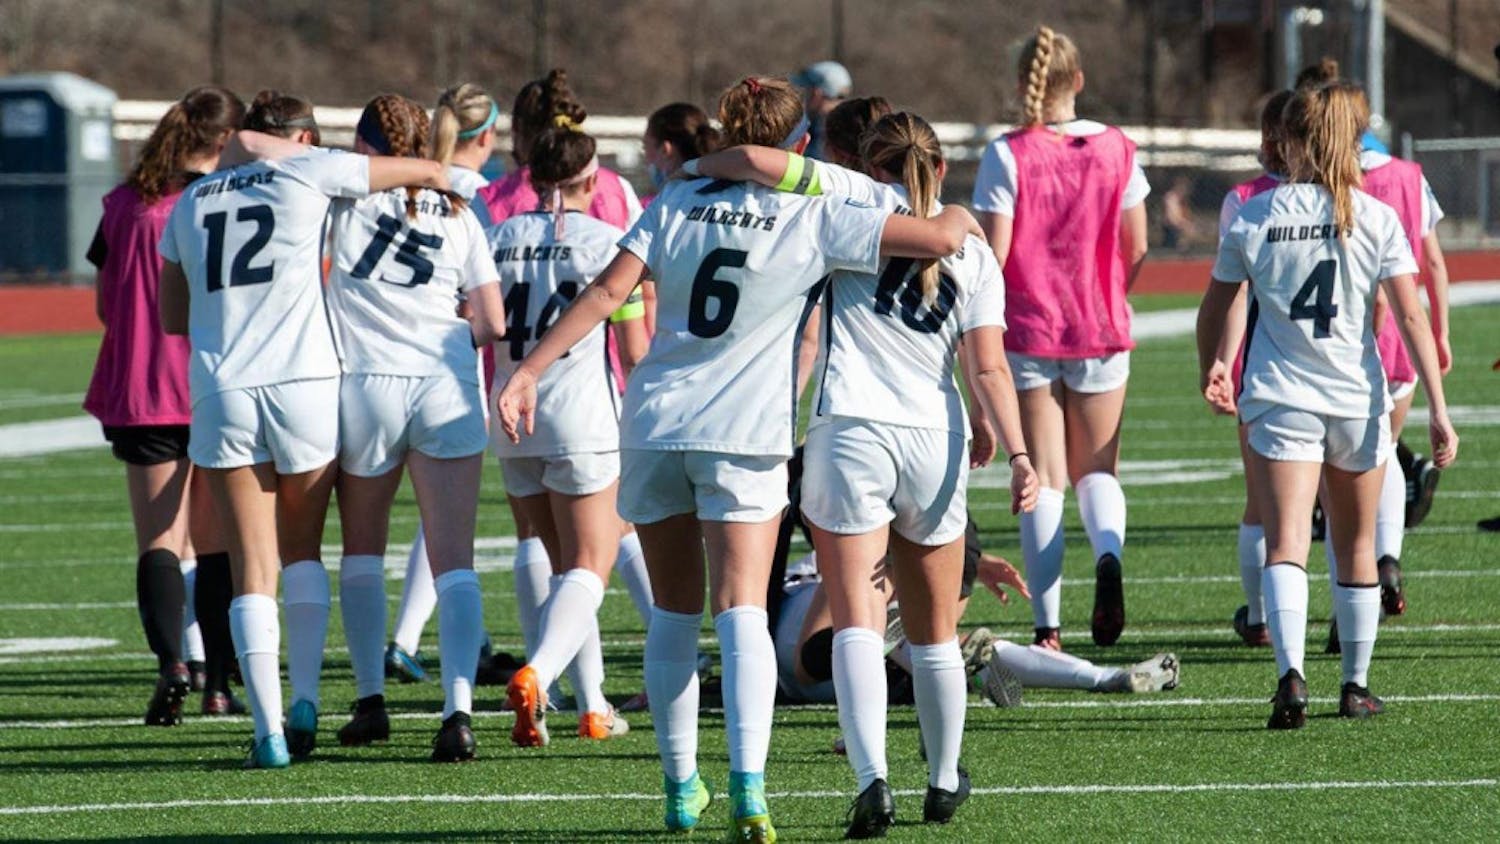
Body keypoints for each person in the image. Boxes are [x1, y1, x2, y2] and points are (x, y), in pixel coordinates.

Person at [496, 75, 977, 843]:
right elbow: (938, 242)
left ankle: (682, 785)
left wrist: (529, 370)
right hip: (743, 433)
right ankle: (749, 786)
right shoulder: (816, 212)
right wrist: (956, 217)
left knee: (674, 616)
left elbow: (601, 295)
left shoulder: (677, 198)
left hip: (653, 423)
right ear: (797, 146)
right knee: (741, 612)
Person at [689, 111, 1039, 835]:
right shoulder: (971, 248)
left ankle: (872, 780)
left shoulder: (848, 208)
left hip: (849, 433)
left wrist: (696, 167)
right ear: (939, 170)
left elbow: (761, 164)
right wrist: (1019, 450)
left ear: (867, 167)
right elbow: (990, 366)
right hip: (931, 441)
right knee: (935, 629)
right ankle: (943, 780)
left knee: (856, 620)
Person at [157, 90, 453, 768]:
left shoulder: (191, 201)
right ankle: (307, 700)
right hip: (306, 386)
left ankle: (266, 732)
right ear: (303, 135)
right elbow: (414, 173)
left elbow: (174, 316)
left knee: (250, 571)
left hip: (224, 388)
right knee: (302, 556)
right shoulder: (307, 169)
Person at [1197, 81, 1457, 730]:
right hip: (1354, 398)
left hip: (1281, 397)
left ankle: (1291, 676)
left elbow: (1218, 308)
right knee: (1356, 545)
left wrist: (1217, 366)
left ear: (1287, 143)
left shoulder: (1253, 214)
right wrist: (1438, 406)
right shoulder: (1373, 215)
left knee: (1287, 543)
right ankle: (1355, 685)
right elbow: (1411, 318)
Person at [320, 95, 505, 763]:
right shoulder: (459, 209)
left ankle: (371, 700)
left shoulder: (341, 201)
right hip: (445, 384)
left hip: (366, 385)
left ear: (365, 143)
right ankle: (457, 711)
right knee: (455, 561)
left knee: (363, 551)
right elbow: (492, 321)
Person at [972, 25, 1150, 651]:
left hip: (1028, 328)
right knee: (1097, 470)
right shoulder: (1119, 148)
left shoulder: (1008, 152)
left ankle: (1047, 626)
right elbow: (1139, 245)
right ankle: (1108, 555)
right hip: (1099, 326)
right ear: (1078, 81)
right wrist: (1107, 295)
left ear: (1024, 83)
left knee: (1042, 478)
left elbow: (992, 253)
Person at [478, 71, 654, 701]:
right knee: (589, 565)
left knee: (554, 562)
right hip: (581, 415)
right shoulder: (611, 242)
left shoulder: (494, 237)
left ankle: (589, 702)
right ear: (590, 178)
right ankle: (540, 674)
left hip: (511, 415)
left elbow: (475, 322)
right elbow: (633, 349)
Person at [84, 85, 244, 726]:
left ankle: (173, 664)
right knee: (215, 546)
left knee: (159, 540)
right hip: (209, 381)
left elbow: (103, 306)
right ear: (226, 140)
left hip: (140, 388)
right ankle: (219, 684)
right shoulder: (218, 202)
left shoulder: (123, 204)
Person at [380, 81, 508, 689]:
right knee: (447, 523)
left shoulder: (401, 183)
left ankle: (453, 642)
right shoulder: (476, 197)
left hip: (385, 363)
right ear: (488, 137)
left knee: (428, 521)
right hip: (455, 366)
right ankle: (412, 640)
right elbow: (487, 304)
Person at [790, 60, 853, 160]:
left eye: (807, 90)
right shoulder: (854, 129)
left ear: (816, 93)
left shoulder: (826, 135)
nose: (802, 96)